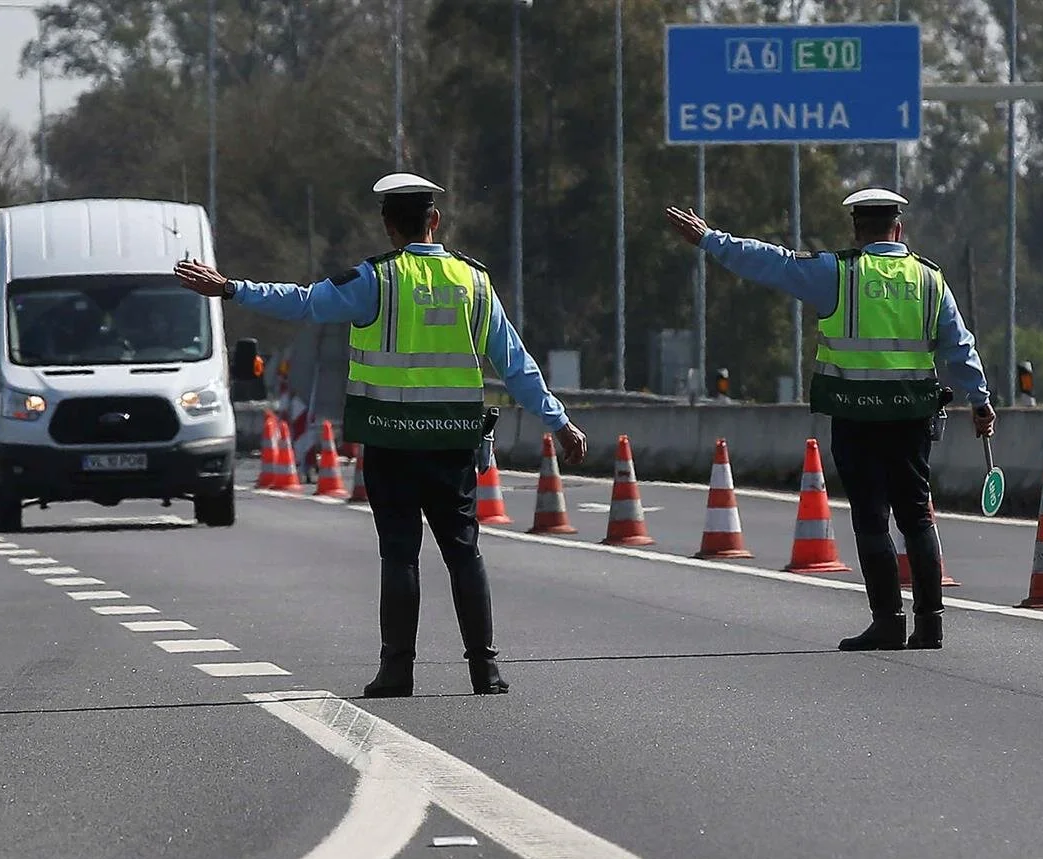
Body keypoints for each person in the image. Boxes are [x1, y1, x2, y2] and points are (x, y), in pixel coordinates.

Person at [174, 172, 587, 695]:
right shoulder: (475, 282)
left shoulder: (376, 279)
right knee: (464, 552)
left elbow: (303, 302)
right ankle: (485, 670)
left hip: (391, 443)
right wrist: (559, 422)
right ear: (435, 220)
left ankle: (397, 671)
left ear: (389, 226)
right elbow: (516, 364)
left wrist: (230, 288)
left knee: (400, 554)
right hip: (453, 444)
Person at [666, 187, 996, 652]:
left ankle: (888, 622)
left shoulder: (837, 272)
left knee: (871, 519)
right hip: (911, 417)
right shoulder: (929, 279)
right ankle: (930, 625)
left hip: (855, 415)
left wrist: (710, 239)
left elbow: (772, 262)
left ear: (857, 230)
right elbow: (960, 347)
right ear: (899, 229)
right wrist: (980, 401)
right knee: (918, 517)